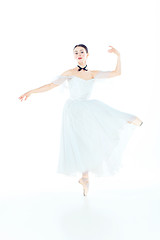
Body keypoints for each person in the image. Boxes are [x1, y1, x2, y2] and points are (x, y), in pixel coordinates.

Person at [18, 44, 143, 197]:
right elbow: (51, 85)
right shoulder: (70, 73)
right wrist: (31, 92)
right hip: (73, 111)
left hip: (88, 108)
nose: (78, 54)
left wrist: (118, 55)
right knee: (81, 142)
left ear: (87, 55)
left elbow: (117, 73)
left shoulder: (92, 73)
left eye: (81, 52)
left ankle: (128, 119)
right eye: (76, 52)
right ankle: (85, 177)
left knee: (92, 136)